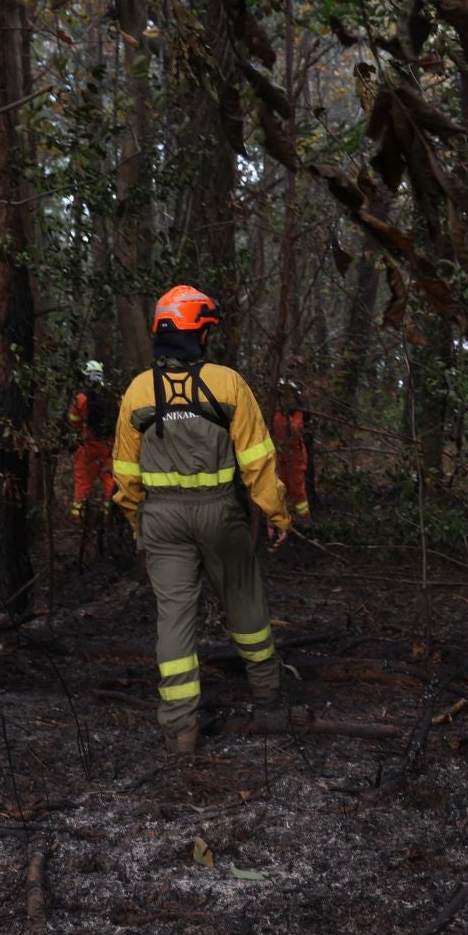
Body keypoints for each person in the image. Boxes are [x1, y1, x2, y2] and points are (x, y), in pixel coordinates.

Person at [111, 285, 303, 753]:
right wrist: (277, 513)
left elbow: (124, 474)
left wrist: (140, 523)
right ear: (197, 333)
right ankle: (270, 703)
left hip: (160, 517)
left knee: (174, 619)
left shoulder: (137, 390)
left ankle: (181, 731)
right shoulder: (227, 383)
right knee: (245, 605)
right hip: (219, 513)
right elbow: (258, 461)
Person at [67, 360, 117, 521]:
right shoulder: (114, 395)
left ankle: (78, 516)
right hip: (110, 446)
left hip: (90, 446)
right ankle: (110, 514)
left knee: (82, 480)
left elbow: (74, 422)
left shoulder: (81, 398)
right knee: (110, 479)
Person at [272, 379, 313, 520]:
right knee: (282, 487)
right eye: (282, 395)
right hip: (281, 456)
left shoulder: (299, 415)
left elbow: (299, 431)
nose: (285, 399)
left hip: (295, 457)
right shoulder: (275, 414)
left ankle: (304, 518)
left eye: (288, 395)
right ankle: (287, 517)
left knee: (296, 489)